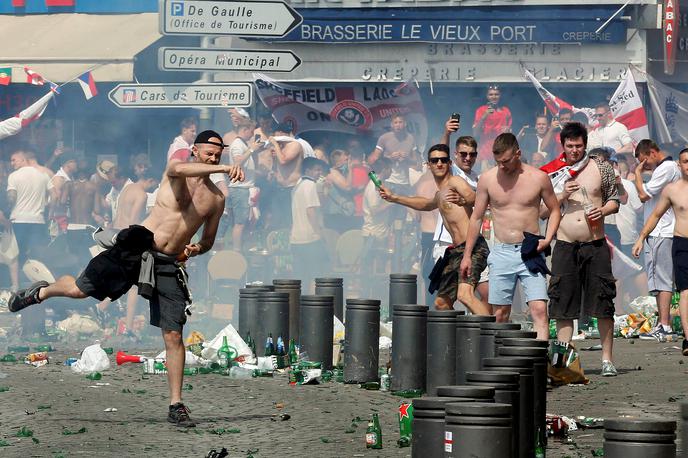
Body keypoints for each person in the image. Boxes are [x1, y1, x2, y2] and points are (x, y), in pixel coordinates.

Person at [8, 130, 244, 427]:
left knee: (173, 334)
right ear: (194, 150)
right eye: (209, 153)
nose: (214, 157)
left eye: (219, 155)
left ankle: (176, 404)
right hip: (137, 246)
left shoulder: (216, 198)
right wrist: (222, 169)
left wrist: (196, 249)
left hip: (168, 263)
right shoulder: (175, 170)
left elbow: (208, 239)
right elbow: (179, 168)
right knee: (81, 290)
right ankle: (41, 292)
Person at [460, 133, 561, 339]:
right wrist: (467, 255)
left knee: (539, 310)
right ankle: (500, 362)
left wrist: (548, 238)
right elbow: (476, 218)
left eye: (506, 161)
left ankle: (540, 363)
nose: (502, 166)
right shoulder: (488, 179)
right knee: (500, 314)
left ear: (518, 154)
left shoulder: (538, 177)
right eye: (498, 162)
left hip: (530, 250)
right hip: (502, 250)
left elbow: (555, 209)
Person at [543, 122, 620, 376]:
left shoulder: (600, 167)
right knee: (562, 303)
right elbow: (542, 211)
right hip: (565, 243)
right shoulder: (553, 173)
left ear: (584, 145)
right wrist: (562, 195)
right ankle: (564, 361)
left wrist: (603, 209)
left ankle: (606, 360)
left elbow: (615, 199)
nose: (574, 150)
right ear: (562, 145)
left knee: (603, 302)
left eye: (578, 145)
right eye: (570, 146)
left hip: (594, 242)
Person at [381, 144, 491, 314]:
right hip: (455, 251)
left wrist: (465, 201)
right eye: (435, 160)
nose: (439, 163)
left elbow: (474, 197)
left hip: (473, 247)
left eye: (443, 160)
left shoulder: (455, 181)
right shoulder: (441, 193)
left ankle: (493, 337)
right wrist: (394, 197)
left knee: (465, 295)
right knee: (441, 304)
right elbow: (426, 204)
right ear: (429, 164)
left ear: (449, 163)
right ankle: (455, 339)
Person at [632, 148, 688, 355]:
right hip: (682, 242)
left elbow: (647, 200)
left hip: (674, 240)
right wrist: (640, 238)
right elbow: (655, 215)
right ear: (679, 165)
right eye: (685, 161)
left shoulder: (668, 177)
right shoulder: (672, 190)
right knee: (685, 291)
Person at [7, 150, 51, 335]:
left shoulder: (14, 176)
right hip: (38, 220)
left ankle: (16, 287)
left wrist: (8, 208)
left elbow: (11, 198)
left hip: (19, 219)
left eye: (13, 159)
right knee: (36, 256)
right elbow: (53, 196)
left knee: (15, 254)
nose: (11, 163)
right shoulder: (42, 176)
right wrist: (45, 209)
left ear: (23, 159)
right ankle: (39, 285)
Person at [289, 157, 330, 291]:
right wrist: (319, 232)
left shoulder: (298, 185)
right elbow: (311, 211)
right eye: (317, 170)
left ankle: (299, 305)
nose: (320, 173)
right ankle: (313, 305)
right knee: (315, 275)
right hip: (310, 238)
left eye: (321, 170)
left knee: (301, 277)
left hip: (296, 239)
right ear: (308, 170)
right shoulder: (310, 184)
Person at [226, 118, 261, 251]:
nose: (252, 135)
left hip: (244, 189)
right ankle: (237, 253)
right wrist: (251, 150)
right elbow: (237, 162)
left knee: (245, 222)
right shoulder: (237, 144)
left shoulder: (243, 144)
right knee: (240, 223)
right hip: (240, 189)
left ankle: (242, 249)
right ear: (245, 130)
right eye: (251, 131)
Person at [360, 158, 393, 297]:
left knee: (379, 269)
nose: (391, 171)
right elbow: (375, 210)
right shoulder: (374, 184)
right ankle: (370, 297)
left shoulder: (379, 183)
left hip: (380, 233)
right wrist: (393, 201)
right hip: (373, 235)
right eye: (390, 168)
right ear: (385, 168)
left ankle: (377, 297)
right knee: (373, 271)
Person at [368, 114, 419, 194]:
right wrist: (390, 158)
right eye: (395, 123)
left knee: (403, 206)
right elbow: (374, 160)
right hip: (388, 180)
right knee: (388, 205)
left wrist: (407, 158)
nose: (398, 125)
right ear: (392, 125)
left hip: (404, 182)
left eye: (400, 122)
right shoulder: (384, 138)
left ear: (405, 124)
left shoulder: (410, 138)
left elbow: (416, 161)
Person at [472, 85, 512, 169]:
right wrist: (484, 116)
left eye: (496, 94)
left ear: (500, 95)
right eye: (491, 94)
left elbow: (510, 135)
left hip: (502, 154)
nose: (494, 97)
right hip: (486, 155)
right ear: (487, 96)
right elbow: (475, 133)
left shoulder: (506, 111)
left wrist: (508, 131)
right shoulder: (481, 110)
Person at [48, 153, 77, 234]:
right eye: (74, 162)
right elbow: (56, 200)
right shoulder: (59, 178)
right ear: (67, 163)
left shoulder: (70, 177)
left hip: (65, 217)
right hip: (58, 218)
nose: (76, 164)